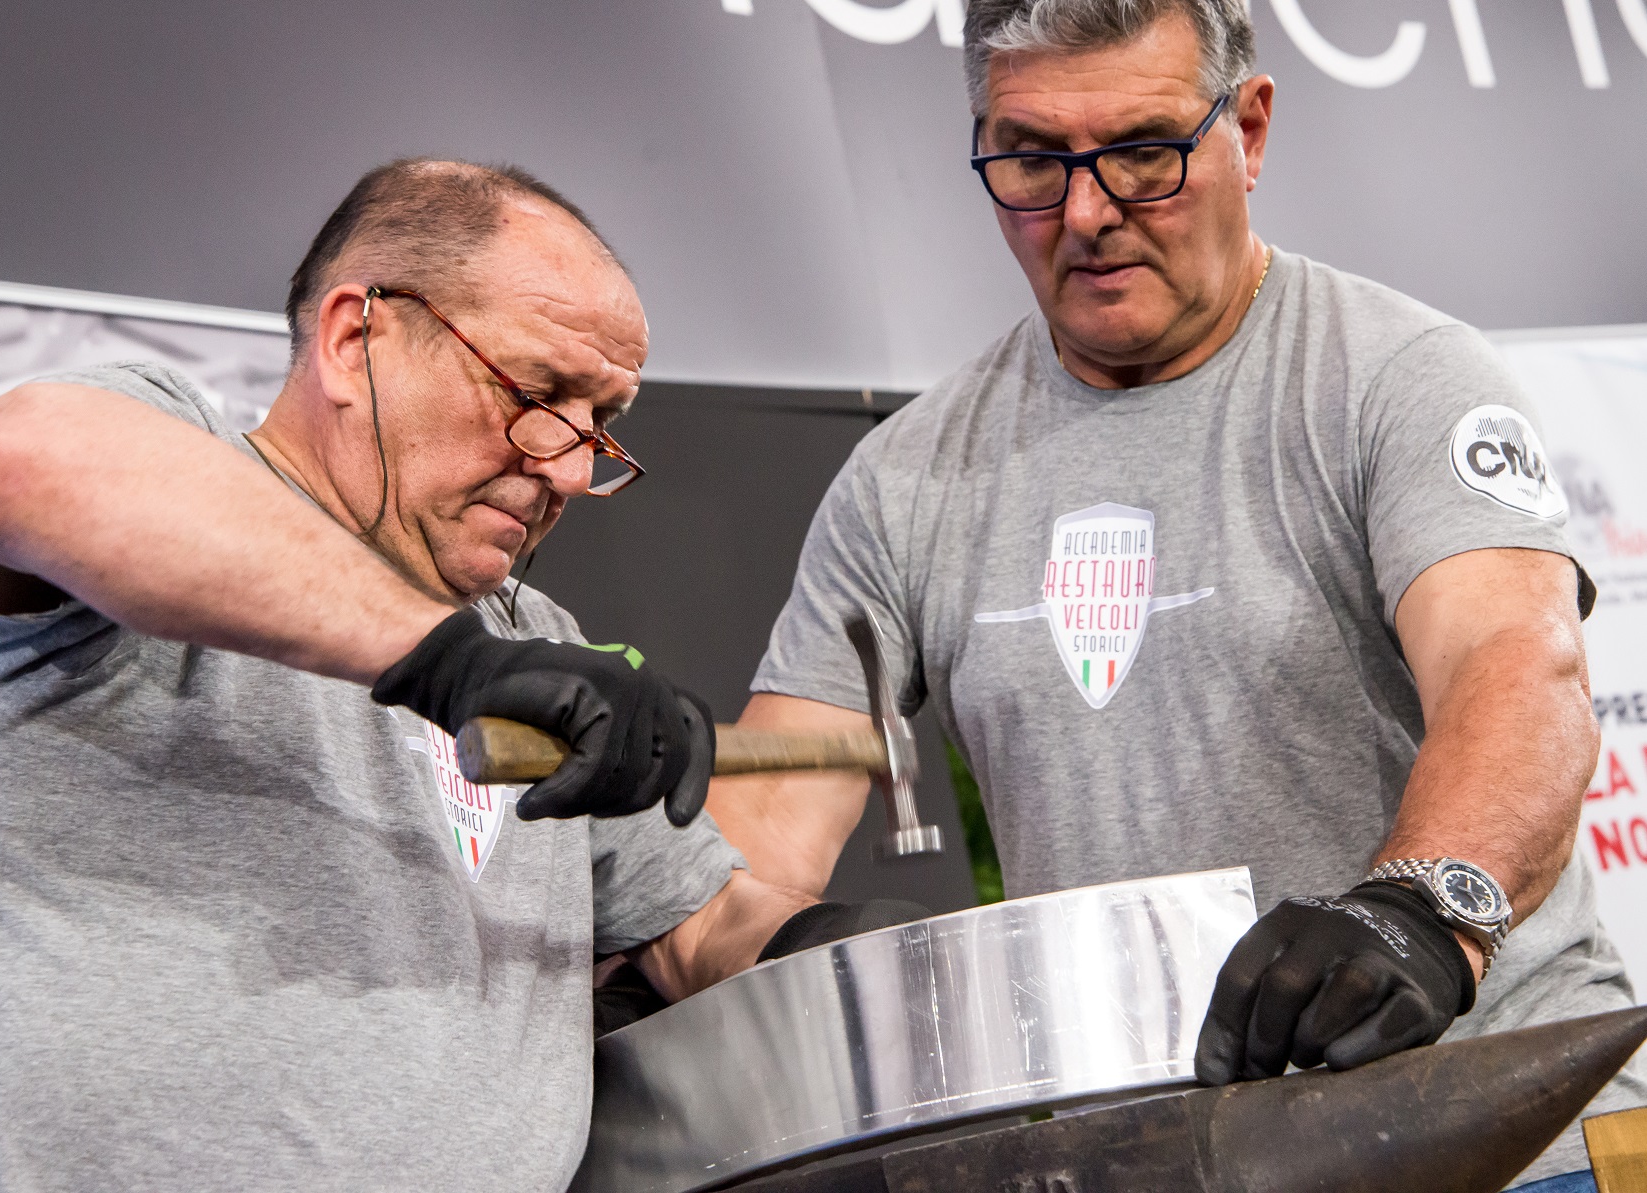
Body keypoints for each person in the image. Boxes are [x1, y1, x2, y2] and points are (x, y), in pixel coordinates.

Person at [704, 2, 1645, 1189]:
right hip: (1181, 1159)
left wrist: (1421, 909)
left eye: (1142, 153)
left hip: (1512, 1137)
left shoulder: (1396, 375)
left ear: (1246, 131)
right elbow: (768, 826)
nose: (1086, 214)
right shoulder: (906, 479)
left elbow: (1514, 667)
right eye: (1032, 161)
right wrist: (749, 925)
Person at [0, 159, 842, 1192]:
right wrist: (454, 664)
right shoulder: (172, 461)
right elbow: (22, 463)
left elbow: (700, 925)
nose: (564, 466)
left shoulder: (538, 641)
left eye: (598, 423)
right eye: (536, 392)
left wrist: (863, 954)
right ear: (352, 337)